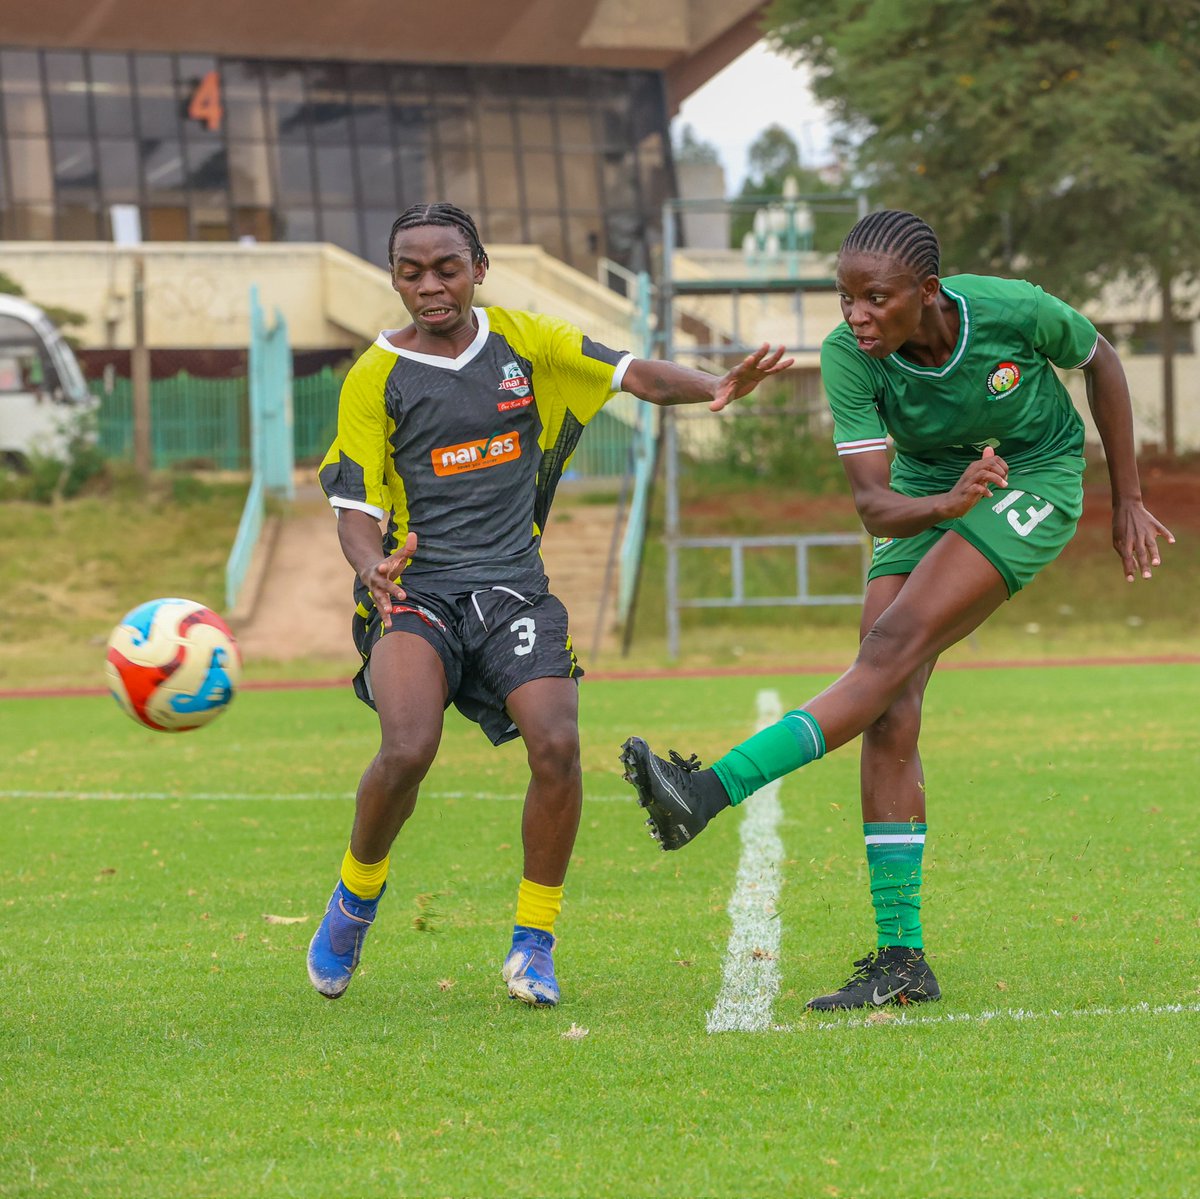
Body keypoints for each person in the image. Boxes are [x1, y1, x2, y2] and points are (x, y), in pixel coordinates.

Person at [620, 209, 1174, 1011]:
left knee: (886, 652)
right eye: (846, 299)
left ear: (928, 291)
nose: (857, 316)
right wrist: (947, 500)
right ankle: (902, 958)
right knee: (888, 705)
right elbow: (876, 507)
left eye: (876, 298)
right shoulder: (852, 358)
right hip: (922, 493)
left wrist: (1128, 496)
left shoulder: (1012, 309)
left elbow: (1104, 361)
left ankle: (707, 793)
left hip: (1032, 477)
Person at [307, 202, 792, 1007]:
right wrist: (370, 567)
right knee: (407, 748)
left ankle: (534, 942)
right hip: (416, 589)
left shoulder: (524, 343)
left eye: (446, 267)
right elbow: (354, 503)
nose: (430, 285)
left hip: (512, 587)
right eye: (410, 271)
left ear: (479, 269)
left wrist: (712, 384)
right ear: (394, 278)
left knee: (557, 744)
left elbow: (628, 370)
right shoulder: (374, 375)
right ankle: (355, 899)